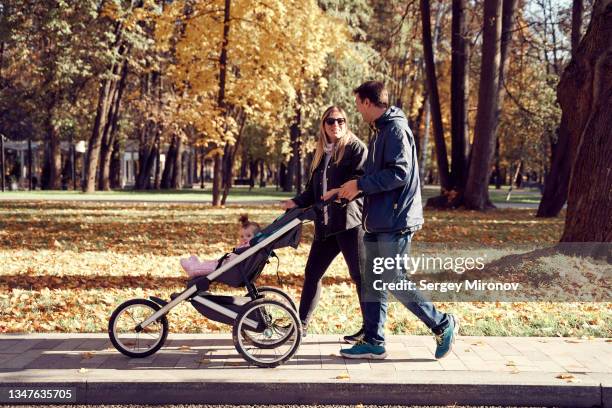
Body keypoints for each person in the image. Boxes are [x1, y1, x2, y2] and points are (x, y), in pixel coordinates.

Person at [324, 81, 458, 360]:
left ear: (368, 103)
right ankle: (373, 340)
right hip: (380, 219)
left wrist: (360, 185)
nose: (357, 110)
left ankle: (442, 323)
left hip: (396, 220)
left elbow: (399, 173)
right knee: (374, 280)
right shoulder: (382, 130)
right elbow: (376, 176)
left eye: (359, 104)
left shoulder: (395, 130)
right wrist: (348, 188)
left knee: (392, 277)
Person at [281, 105, 368, 342]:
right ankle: (301, 325)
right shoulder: (322, 154)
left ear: (346, 122)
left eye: (340, 120)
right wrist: (295, 202)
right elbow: (313, 190)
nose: (336, 125)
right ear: (324, 125)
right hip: (326, 226)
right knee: (312, 273)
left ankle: (369, 331)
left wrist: (337, 193)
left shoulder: (356, 148)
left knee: (360, 276)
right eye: (330, 121)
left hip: (349, 224)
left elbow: (360, 183)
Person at [180, 215, 261, 278]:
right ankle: (196, 263)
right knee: (211, 262)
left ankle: (193, 270)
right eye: (242, 236)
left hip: (230, 268)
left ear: (256, 236)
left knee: (210, 268)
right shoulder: (248, 246)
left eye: (248, 235)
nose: (244, 238)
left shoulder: (250, 246)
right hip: (227, 263)